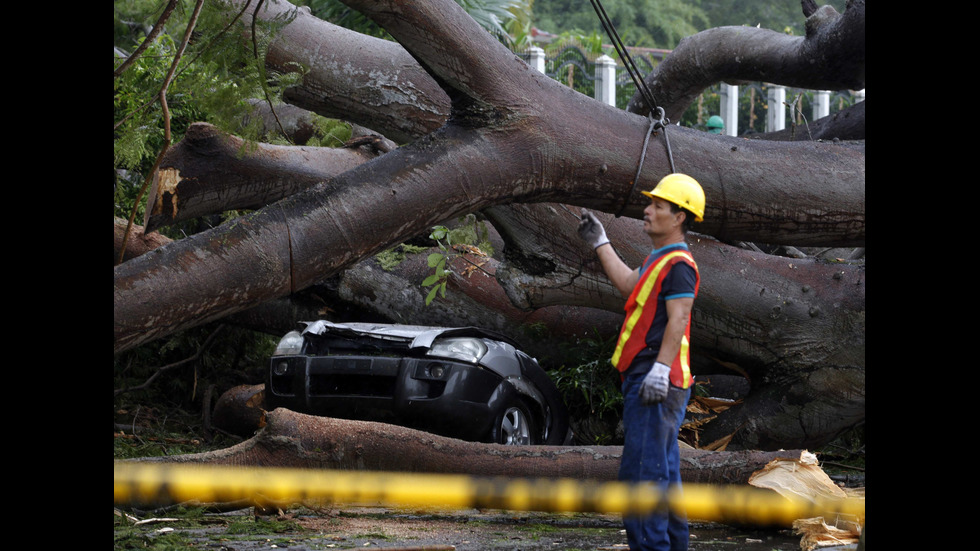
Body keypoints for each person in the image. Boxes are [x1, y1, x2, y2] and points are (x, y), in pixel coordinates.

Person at [576, 173, 705, 551]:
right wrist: (601, 242)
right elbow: (629, 286)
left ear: (679, 217)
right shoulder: (659, 259)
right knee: (661, 477)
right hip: (652, 378)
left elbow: (679, 319)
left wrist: (661, 370)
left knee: (641, 478)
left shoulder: (679, 263)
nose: (647, 211)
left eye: (657, 206)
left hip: (656, 380)